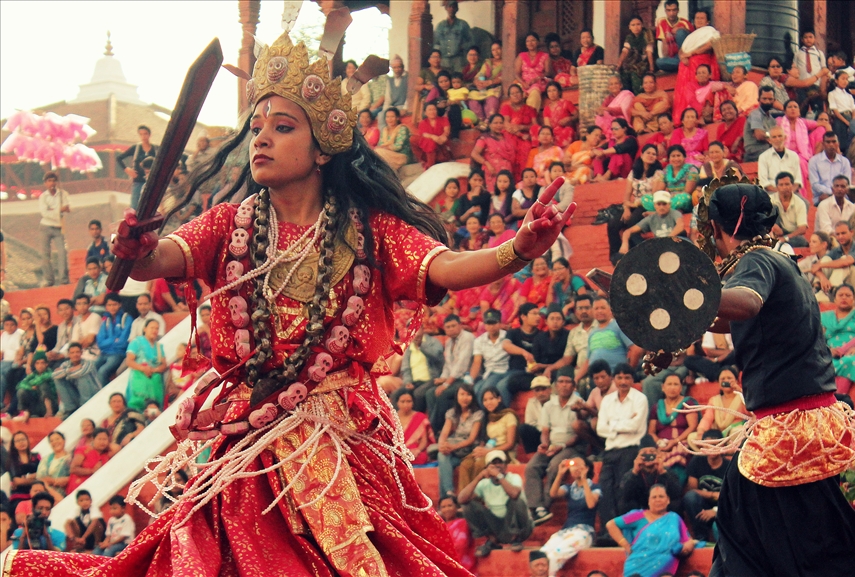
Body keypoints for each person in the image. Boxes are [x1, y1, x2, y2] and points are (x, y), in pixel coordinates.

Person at [24, 26, 573, 577]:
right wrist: (137, 249)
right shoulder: (231, 224)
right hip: (248, 445)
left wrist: (517, 250)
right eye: (256, 127)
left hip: (342, 441)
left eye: (281, 128)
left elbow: (446, 267)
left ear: (322, 150)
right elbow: (156, 262)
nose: (260, 139)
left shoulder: (370, 232)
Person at [702, 182, 855, 577]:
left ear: (716, 228)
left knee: (764, 542)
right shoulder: (782, 262)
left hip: (788, 432)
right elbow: (724, 316)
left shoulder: (756, 262)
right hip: (794, 426)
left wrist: (685, 293)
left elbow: (745, 303)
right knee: (798, 539)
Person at [523, 367, 585, 525]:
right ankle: (534, 508)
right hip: (552, 445)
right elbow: (545, 430)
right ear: (556, 385)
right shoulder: (549, 405)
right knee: (532, 467)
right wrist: (544, 444)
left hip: (571, 447)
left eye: (567, 382)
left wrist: (561, 446)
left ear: (573, 386)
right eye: (561, 382)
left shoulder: (579, 403)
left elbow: (579, 435)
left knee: (554, 466)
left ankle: (543, 507)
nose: (564, 385)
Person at [596, 363, 648, 528]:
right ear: (614, 379)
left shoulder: (640, 399)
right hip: (610, 451)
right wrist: (624, 423)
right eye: (619, 377)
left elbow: (635, 427)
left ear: (633, 379)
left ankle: (624, 529)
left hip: (630, 450)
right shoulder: (607, 400)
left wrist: (613, 424)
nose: (623, 381)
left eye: (627, 377)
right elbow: (600, 428)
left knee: (623, 491)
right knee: (605, 490)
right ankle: (607, 531)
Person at [606, 485, 699, 577]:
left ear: (668, 500)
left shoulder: (674, 518)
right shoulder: (638, 515)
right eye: (654, 497)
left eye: (661, 496)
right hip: (637, 568)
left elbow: (688, 540)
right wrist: (625, 545)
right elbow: (611, 525)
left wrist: (686, 547)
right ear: (649, 501)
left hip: (664, 571)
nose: (657, 499)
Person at [458, 449, 533, 557]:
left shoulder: (513, 477)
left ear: (506, 466)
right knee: (467, 505)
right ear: (487, 467)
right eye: (493, 463)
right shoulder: (484, 483)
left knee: (515, 500)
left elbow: (514, 494)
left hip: (522, 528)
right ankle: (492, 540)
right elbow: (461, 499)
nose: (497, 465)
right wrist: (479, 477)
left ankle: (516, 539)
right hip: (498, 528)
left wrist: (499, 476)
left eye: (500, 462)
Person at [540, 457, 600, 577]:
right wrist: (560, 473)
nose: (575, 468)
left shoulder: (595, 487)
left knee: (555, 556)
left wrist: (584, 479)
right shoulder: (569, 488)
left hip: (584, 532)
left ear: (587, 468)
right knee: (542, 555)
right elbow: (553, 494)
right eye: (573, 465)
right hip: (566, 531)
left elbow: (591, 504)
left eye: (579, 465)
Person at [459, 388, 518, 489]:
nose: (488, 402)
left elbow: (510, 444)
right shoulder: (487, 417)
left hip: (504, 451)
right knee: (465, 464)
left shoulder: (509, 415)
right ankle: (464, 498)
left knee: (480, 464)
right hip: (488, 449)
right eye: (485, 400)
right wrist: (480, 450)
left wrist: (488, 451)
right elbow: (484, 440)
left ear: (499, 399)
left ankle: (477, 497)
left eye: (491, 399)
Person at [821, 284, 855, 394]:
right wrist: (828, 350)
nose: (844, 297)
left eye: (848, 295)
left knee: (850, 361)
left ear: (854, 299)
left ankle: (838, 398)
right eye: (840, 295)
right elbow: (819, 339)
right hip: (832, 355)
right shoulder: (824, 317)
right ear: (835, 299)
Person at [672, 9, 720, 124]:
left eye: (702, 18)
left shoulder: (710, 31)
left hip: (700, 62)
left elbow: (711, 44)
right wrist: (682, 57)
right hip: (686, 64)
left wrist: (692, 53)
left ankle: (699, 115)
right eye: (697, 18)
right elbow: (682, 50)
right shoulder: (691, 36)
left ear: (707, 21)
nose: (699, 20)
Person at [647, 374, 698, 482]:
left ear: (681, 387)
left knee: (678, 454)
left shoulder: (687, 403)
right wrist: (659, 442)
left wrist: (674, 442)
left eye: (676, 384)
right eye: (669, 384)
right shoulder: (657, 407)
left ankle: (675, 489)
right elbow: (651, 432)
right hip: (661, 445)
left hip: (682, 443)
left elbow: (693, 427)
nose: (672, 387)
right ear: (663, 387)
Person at [682, 429, 729, 541]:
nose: (711, 448)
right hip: (702, 505)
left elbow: (731, 497)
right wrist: (713, 494)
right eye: (707, 445)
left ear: (722, 446)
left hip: (722, 507)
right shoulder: (697, 461)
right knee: (690, 498)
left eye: (715, 445)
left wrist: (715, 510)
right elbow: (692, 490)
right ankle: (701, 537)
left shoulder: (729, 466)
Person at [619, 191, 684, 256]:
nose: (661, 207)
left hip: (675, 243)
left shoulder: (675, 213)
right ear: (654, 205)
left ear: (669, 204)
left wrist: (667, 239)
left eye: (664, 204)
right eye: (659, 204)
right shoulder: (651, 218)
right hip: (660, 246)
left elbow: (680, 226)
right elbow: (628, 232)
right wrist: (625, 244)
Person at [778, 99, 825, 185]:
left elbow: (822, 124)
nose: (793, 109)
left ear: (799, 111)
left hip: (801, 153)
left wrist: (829, 130)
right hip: (785, 153)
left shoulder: (802, 122)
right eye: (790, 107)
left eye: (795, 107)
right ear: (785, 111)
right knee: (800, 162)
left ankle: (814, 160)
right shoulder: (779, 121)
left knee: (821, 130)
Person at [124, 318, 166, 413]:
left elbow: (164, 365)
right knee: (137, 408)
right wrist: (143, 368)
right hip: (139, 379)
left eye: (157, 328)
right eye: (152, 328)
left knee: (155, 409)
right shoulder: (136, 342)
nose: (154, 331)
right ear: (145, 329)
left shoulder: (159, 346)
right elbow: (129, 361)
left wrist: (153, 370)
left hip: (154, 381)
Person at [38, 171, 71, 287]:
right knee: (45, 254)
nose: (51, 183)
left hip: (58, 227)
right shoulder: (43, 197)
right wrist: (58, 210)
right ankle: (49, 280)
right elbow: (44, 213)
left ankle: (63, 278)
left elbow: (67, 208)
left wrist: (55, 210)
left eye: (53, 180)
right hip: (45, 226)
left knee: (62, 252)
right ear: (45, 183)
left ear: (56, 182)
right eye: (49, 181)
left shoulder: (63, 194)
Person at [51, 342, 101, 417]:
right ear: (69, 354)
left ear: (81, 353)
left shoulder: (88, 363)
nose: (75, 354)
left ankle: (85, 406)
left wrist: (64, 372)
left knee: (81, 376)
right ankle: (70, 408)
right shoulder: (66, 364)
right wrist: (69, 370)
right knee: (58, 379)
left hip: (93, 395)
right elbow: (54, 375)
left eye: (77, 352)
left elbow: (80, 372)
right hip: (77, 395)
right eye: (72, 352)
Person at [695, 366, 747, 437]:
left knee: (737, 431)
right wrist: (700, 432)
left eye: (729, 378)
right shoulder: (714, 400)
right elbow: (707, 418)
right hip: (719, 434)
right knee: (692, 437)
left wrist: (740, 391)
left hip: (736, 433)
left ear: (737, 380)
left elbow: (751, 413)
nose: (726, 381)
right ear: (718, 383)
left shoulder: (742, 397)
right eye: (723, 379)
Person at [472, 115, 517, 193]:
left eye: (501, 123)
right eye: (495, 123)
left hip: (507, 172)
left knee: (506, 197)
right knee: (494, 196)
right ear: (489, 124)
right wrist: (487, 164)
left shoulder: (507, 137)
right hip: (492, 172)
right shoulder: (484, 138)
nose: (499, 125)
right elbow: (474, 154)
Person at [757, 126, 802, 195]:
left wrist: (790, 192)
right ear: (769, 140)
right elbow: (764, 182)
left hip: (791, 193)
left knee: (805, 204)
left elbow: (797, 180)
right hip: (772, 193)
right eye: (774, 137)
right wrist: (780, 193)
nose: (777, 139)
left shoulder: (794, 156)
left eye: (780, 136)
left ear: (785, 138)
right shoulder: (763, 157)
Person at [66, 427, 112, 494]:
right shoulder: (84, 450)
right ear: (93, 439)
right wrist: (92, 471)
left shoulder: (105, 454)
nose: (102, 442)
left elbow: (116, 448)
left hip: (95, 489)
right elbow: (73, 469)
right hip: (78, 487)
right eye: (99, 439)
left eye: (105, 439)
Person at [743, 86, 782, 162]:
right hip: (754, 151)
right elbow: (759, 135)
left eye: (770, 99)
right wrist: (772, 136)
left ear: (774, 100)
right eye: (764, 99)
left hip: (767, 148)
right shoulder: (755, 114)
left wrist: (767, 135)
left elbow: (776, 136)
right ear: (759, 100)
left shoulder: (772, 120)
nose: (767, 102)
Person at [468, 41, 504, 123]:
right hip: (484, 88)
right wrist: (477, 82)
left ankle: (489, 121)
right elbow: (480, 74)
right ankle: (480, 121)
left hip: (495, 88)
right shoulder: (488, 62)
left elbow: (504, 77)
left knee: (491, 100)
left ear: (502, 49)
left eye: (498, 49)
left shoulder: (507, 63)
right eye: (493, 50)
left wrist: (490, 82)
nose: (496, 52)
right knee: (472, 101)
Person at [770, 173, 809, 247]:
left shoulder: (800, 203)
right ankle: (777, 243)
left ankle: (779, 244)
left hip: (791, 235)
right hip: (774, 233)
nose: (784, 187)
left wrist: (786, 238)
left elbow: (802, 229)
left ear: (792, 185)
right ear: (777, 187)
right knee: (772, 207)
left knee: (801, 240)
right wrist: (772, 225)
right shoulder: (770, 199)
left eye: (787, 184)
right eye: (781, 185)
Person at [438, 495, 475, 573]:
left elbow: (462, 545)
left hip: (464, 566)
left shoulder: (464, 523)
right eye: (443, 507)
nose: (447, 509)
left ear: (457, 507)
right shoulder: (439, 527)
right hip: (445, 567)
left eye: (450, 506)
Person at [395, 390, 432, 466]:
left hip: (414, 451)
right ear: (397, 403)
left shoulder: (420, 417)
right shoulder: (391, 417)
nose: (406, 404)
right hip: (397, 451)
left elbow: (424, 440)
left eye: (409, 401)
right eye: (402, 401)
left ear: (413, 402)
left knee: (422, 457)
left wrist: (418, 450)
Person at [654, 0, 692, 73]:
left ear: (678, 10)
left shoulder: (685, 23)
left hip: (686, 55)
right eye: (669, 10)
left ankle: (683, 62)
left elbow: (692, 41)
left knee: (680, 32)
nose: (671, 13)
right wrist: (667, 60)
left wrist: (682, 29)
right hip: (674, 59)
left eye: (674, 10)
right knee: (659, 62)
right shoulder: (662, 22)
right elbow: (664, 44)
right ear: (665, 11)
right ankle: (682, 64)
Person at [619, 17, 655, 94]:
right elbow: (625, 51)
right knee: (624, 74)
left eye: (638, 24)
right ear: (629, 27)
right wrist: (619, 63)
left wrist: (651, 67)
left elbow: (649, 52)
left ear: (642, 25)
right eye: (633, 25)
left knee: (635, 74)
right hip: (634, 62)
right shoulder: (629, 37)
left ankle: (638, 96)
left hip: (646, 62)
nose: (636, 27)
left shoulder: (647, 34)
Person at [515, 32, 551, 110]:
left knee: (535, 93)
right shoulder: (521, 56)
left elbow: (548, 72)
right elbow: (517, 74)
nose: (530, 43)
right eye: (528, 41)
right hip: (523, 82)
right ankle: (516, 117)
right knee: (515, 92)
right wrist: (523, 83)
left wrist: (536, 79)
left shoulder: (545, 56)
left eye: (533, 40)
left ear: (538, 42)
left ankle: (530, 117)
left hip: (538, 82)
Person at [17, 350, 56, 418]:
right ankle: (24, 413)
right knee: (21, 391)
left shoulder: (50, 373)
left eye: (42, 363)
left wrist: (31, 383)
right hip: (36, 404)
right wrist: (31, 387)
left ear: (46, 364)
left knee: (43, 385)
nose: (40, 365)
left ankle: (49, 412)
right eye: (37, 363)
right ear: (34, 365)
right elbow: (20, 385)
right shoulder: (33, 375)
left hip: (51, 404)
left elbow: (41, 379)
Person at [433, 1, 471, 72]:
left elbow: (471, 41)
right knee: (445, 80)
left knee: (458, 80)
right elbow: (436, 43)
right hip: (444, 60)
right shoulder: (440, 26)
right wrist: (437, 57)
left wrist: (462, 47)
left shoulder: (463, 24)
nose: (451, 9)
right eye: (449, 7)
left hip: (458, 60)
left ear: (457, 9)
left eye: (453, 7)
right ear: (446, 8)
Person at [376, 107, 415, 171]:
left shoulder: (402, 129)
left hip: (401, 156)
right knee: (377, 152)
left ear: (397, 118)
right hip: (387, 154)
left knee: (378, 152)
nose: (389, 119)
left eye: (392, 117)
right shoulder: (385, 130)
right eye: (387, 117)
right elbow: (381, 144)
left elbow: (398, 146)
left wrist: (385, 148)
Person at [540, 82, 577, 148]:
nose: (552, 93)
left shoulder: (566, 103)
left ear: (559, 92)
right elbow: (547, 125)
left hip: (566, 130)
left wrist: (569, 119)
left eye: (554, 90)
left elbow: (577, 115)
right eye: (549, 91)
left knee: (568, 130)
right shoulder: (546, 109)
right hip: (554, 132)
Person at [417, 103, 451, 169]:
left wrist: (442, 137)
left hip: (442, 145)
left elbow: (446, 131)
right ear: (425, 112)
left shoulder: (444, 119)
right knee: (428, 142)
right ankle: (430, 165)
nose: (432, 112)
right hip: (429, 148)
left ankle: (430, 166)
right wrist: (433, 137)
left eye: (434, 109)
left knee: (431, 142)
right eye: (430, 110)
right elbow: (424, 134)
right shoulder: (423, 123)